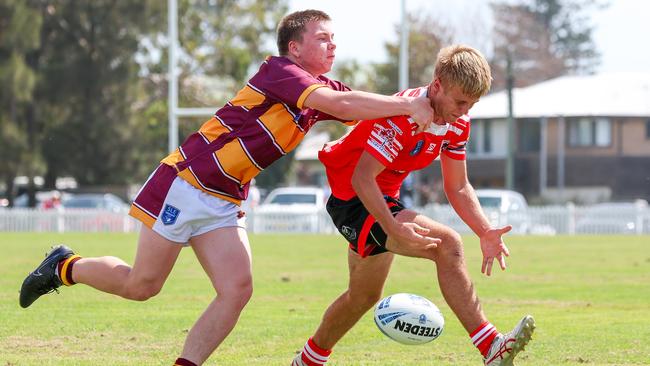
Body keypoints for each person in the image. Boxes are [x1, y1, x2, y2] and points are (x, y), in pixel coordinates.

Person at [18, 9, 436, 366]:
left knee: (237, 289)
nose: (332, 46)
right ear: (294, 47)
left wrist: (428, 99)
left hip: (224, 200)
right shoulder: (280, 72)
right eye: (322, 38)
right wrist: (406, 105)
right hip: (185, 183)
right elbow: (345, 107)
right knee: (141, 286)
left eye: (334, 39)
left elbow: (359, 106)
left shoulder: (324, 90)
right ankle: (64, 266)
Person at [291, 45, 535, 366]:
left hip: (382, 201)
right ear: (437, 86)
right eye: (460, 101)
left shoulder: (458, 122)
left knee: (362, 297)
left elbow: (458, 186)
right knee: (447, 244)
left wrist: (485, 230)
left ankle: (306, 362)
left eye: (472, 104)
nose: (464, 111)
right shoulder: (404, 114)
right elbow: (363, 179)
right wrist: (393, 226)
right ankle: (491, 346)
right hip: (353, 199)